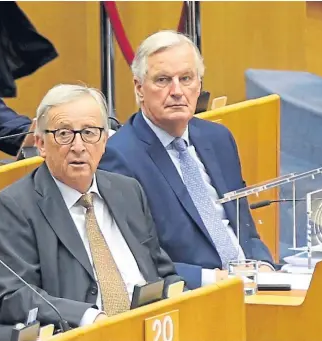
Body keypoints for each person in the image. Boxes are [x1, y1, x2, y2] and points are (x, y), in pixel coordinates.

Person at [0, 84, 182, 341]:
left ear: (105, 140)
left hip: (149, 329)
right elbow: (12, 297)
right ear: (40, 143)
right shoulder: (13, 206)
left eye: (89, 133)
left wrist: (182, 296)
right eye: (64, 134)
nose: (78, 146)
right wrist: (90, 318)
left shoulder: (128, 191)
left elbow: (161, 271)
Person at [99, 30, 275, 290]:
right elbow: (137, 259)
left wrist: (265, 267)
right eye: (163, 80)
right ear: (139, 88)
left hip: (253, 285)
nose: (177, 91)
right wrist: (216, 280)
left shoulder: (218, 138)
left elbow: (245, 227)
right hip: (195, 295)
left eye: (186, 78)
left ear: (199, 85)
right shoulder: (119, 156)